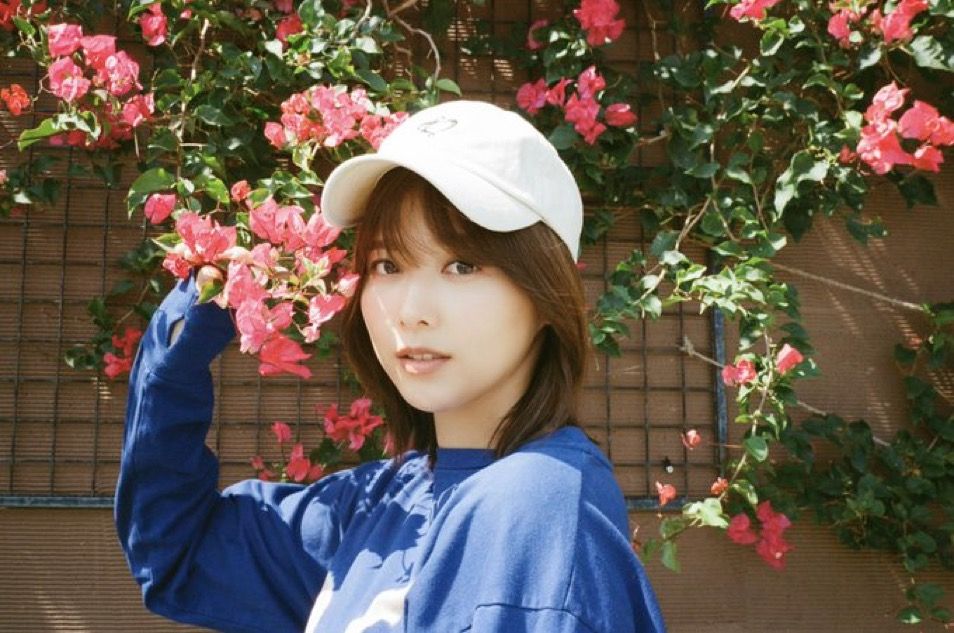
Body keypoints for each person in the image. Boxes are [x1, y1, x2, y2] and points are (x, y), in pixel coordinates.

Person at [115, 99, 666, 633]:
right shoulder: (381, 506)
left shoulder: (534, 507)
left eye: (462, 265)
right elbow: (178, 555)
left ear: (546, 294)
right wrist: (194, 322)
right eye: (387, 264)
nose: (411, 311)